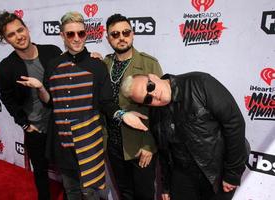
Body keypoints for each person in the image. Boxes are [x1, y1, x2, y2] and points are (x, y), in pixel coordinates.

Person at [16, 11, 149, 200]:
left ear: (86, 34)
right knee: (71, 191)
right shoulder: (53, 66)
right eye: (70, 34)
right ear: (62, 35)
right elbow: (50, 103)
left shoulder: (97, 65)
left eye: (81, 33)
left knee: (91, 193)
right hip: (63, 144)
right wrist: (40, 88)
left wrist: (122, 115)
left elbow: (106, 102)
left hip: (90, 143)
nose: (76, 38)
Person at [121, 72, 248, 200]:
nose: (153, 95)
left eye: (150, 87)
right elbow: (165, 152)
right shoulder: (155, 113)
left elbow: (234, 123)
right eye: (147, 99)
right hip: (182, 174)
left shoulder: (199, 83)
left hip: (215, 171)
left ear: (153, 77)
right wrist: (166, 185)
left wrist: (232, 173)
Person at [0, 11, 62, 200]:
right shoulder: (6, 67)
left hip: (60, 123)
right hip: (35, 129)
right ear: (6, 40)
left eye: (20, 30)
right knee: (40, 171)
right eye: (11, 35)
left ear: (27, 28)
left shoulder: (52, 52)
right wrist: (25, 124)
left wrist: (91, 56)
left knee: (69, 168)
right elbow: (7, 99)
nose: (18, 36)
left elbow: (70, 75)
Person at [103, 13, 163, 200]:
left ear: (133, 34)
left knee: (144, 195)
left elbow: (160, 110)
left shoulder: (148, 63)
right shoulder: (104, 64)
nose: (121, 37)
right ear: (108, 38)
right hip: (112, 144)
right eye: (115, 34)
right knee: (125, 193)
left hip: (139, 144)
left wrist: (149, 145)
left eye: (125, 32)